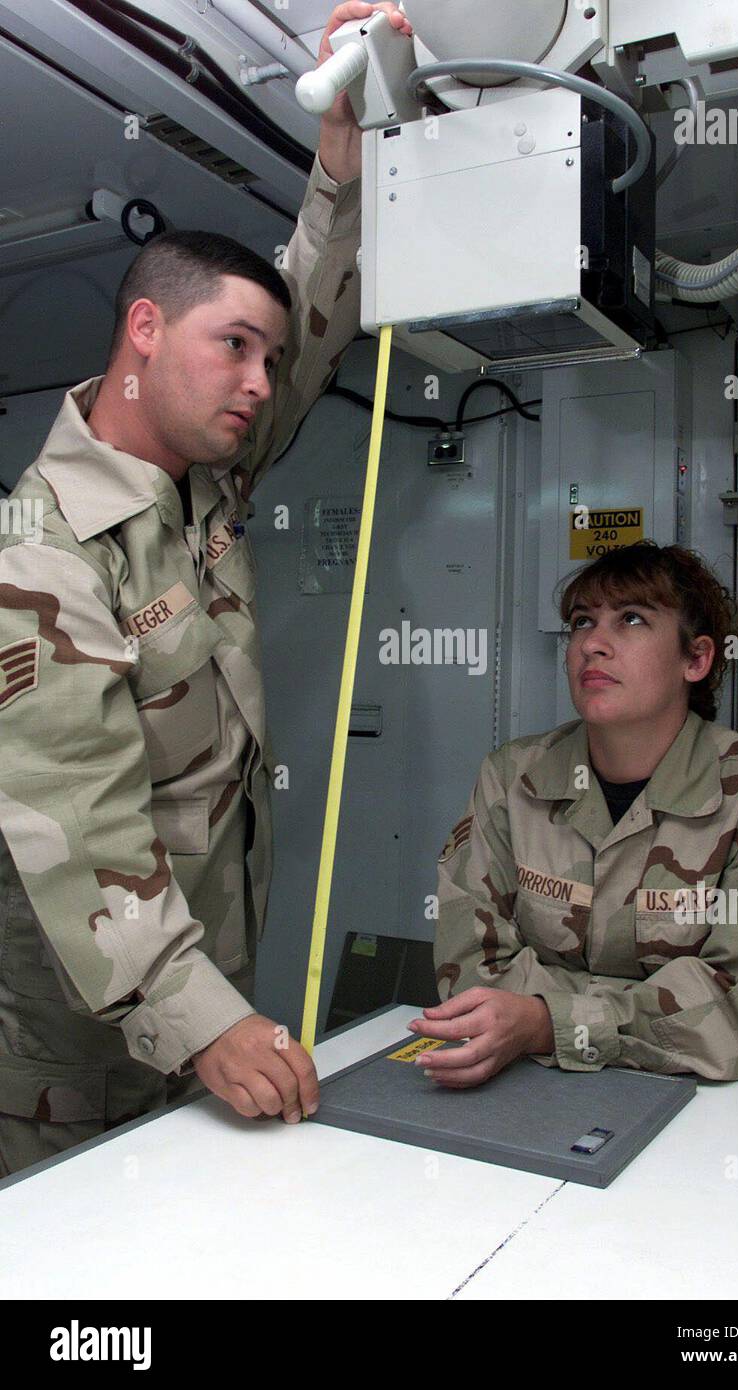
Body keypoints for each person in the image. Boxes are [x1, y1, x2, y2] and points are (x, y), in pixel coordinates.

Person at [0, 2, 414, 1178]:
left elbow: (309, 319)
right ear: (143, 330)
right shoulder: (40, 552)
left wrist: (340, 173)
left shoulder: (201, 489)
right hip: (70, 1064)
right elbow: (80, 822)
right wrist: (212, 1018)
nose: (258, 382)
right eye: (232, 346)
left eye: (266, 361)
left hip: (193, 1017)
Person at [414, 541, 738, 1086]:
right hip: (534, 1081)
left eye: (630, 620)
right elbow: (469, 970)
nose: (592, 645)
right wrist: (639, 1012)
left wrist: (545, 1021)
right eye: (581, 622)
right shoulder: (513, 778)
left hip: (712, 1099)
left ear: (695, 659)